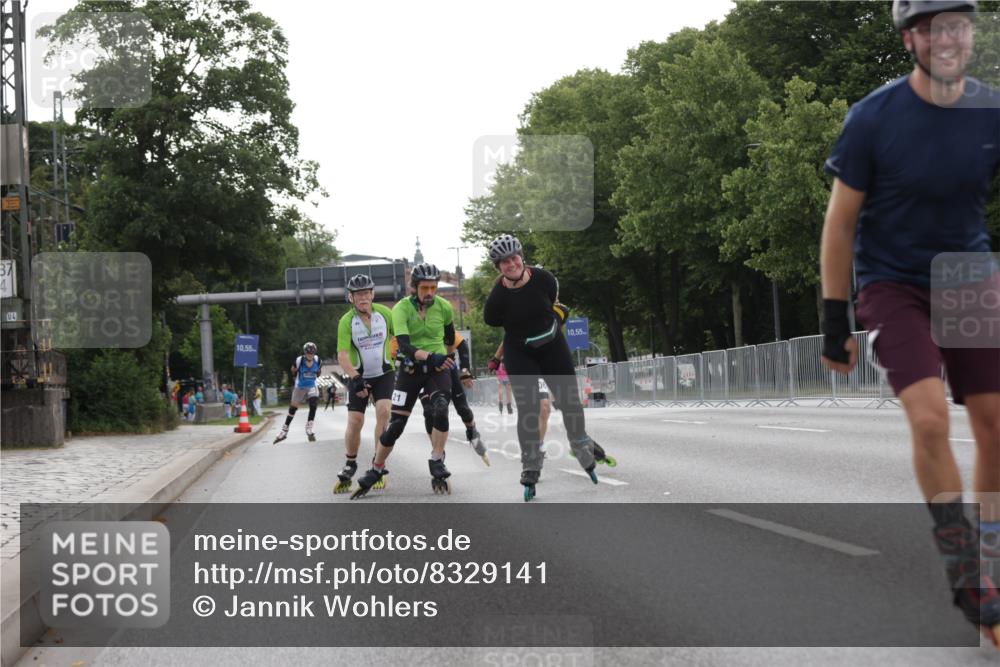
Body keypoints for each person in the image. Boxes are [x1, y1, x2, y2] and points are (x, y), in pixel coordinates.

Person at [820, 0, 999, 645]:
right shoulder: (873, 118)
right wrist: (833, 315)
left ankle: (994, 566)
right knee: (929, 417)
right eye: (930, 28)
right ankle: (964, 566)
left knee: (994, 423)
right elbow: (840, 224)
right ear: (909, 41)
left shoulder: (990, 109)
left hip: (968, 277)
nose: (946, 39)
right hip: (893, 285)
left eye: (956, 25)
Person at [482, 233, 604, 501]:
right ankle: (531, 462)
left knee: (569, 401)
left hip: (552, 345)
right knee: (529, 408)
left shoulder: (545, 279)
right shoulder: (496, 300)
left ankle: (580, 442)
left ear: (522, 257)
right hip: (520, 351)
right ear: (498, 267)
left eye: (513, 257)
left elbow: (552, 305)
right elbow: (497, 323)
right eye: (503, 262)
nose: (510, 263)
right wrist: (498, 356)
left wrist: (558, 316)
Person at [351, 263, 456, 499]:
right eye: (425, 288)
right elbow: (406, 346)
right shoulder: (401, 309)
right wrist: (430, 356)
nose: (430, 292)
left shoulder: (444, 307)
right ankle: (377, 467)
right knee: (396, 426)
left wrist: (450, 362)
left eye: (433, 287)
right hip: (411, 369)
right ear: (414, 287)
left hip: (437, 368)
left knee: (440, 409)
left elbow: (450, 339)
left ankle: (437, 459)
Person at [492, 340, 616, 470]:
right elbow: (509, 336)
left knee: (546, 409)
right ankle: (535, 451)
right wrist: (496, 358)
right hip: (528, 366)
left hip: (546, 363)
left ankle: (547, 444)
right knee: (539, 408)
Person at [335, 274, 396, 494]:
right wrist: (355, 377)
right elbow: (342, 356)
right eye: (358, 294)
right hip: (358, 375)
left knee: (384, 411)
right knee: (355, 421)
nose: (363, 298)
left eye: (366, 293)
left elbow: (400, 338)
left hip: (384, 372)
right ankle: (350, 463)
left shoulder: (386, 314)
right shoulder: (345, 321)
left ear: (372, 294)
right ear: (350, 298)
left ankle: (377, 462)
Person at [419, 331, 489, 465]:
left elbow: (462, 345)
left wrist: (464, 371)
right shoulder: (411, 323)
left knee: (462, 408)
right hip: (423, 373)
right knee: (429, 411)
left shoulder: (439, 322)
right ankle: (437, 453)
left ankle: (472, 432)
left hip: (447, 369)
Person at [273, 342, 322, 444]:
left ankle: (309, 427)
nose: (310, 355)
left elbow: (318, 373)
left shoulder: (318, 360)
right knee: (293, 409)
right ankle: (284, 431)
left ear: (314, 353)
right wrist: (295, 374)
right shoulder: (299, 360)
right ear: (305, 353)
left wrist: (315, 374)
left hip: (312, 386)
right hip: (299, 387)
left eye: (312, 353)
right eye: (308, 353)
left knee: (314, 403)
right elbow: (293, 370)